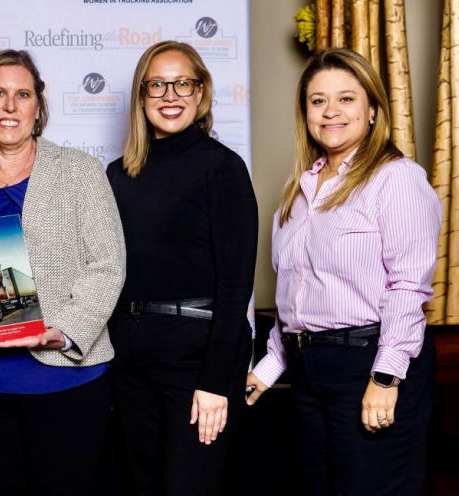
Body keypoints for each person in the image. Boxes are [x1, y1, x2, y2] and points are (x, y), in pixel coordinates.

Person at [0, 49, 126, 496]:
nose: (10, 106)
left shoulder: (79, 173)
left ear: (39, 105)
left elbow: (108, 267)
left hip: (67, 381)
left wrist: (62, 331)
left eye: (23, 94)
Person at [246, 48, 440, 495]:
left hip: (369, 363)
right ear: (305, 113)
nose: (330, 111)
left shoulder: (398, 178)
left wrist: (385, 378)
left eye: (346, 99)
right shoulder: (298, 190)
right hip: (308, 371)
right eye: (317, 101)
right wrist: (269, 367)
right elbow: (296, 293)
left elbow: (408, 287)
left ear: (372, 109)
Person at [105, 40, 258, 496]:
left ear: (201, 92)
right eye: (157, 85)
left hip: (196, 366)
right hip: (129, 364)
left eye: (182, 84)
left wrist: (215, 382)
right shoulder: (117, 174)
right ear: (141, 95)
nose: (170, 96)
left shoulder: (223, 169)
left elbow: (236, 288)